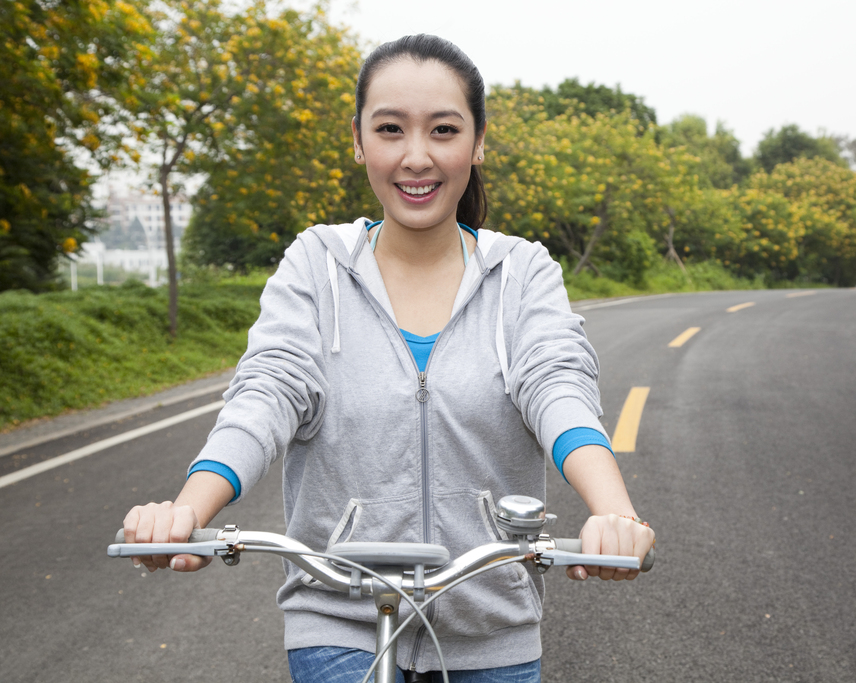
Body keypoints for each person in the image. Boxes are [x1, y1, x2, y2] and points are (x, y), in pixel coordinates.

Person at [122, 34, 655, 683]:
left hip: (491, 627)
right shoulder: (316, 265)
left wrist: (614, 511)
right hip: (338, 614)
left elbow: (557, 384)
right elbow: (269, 391)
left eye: (444, 129)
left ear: (477, 141)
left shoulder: (522, 272)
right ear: (358, 139)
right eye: (391, 129)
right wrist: (188, 509)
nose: (416, 156)